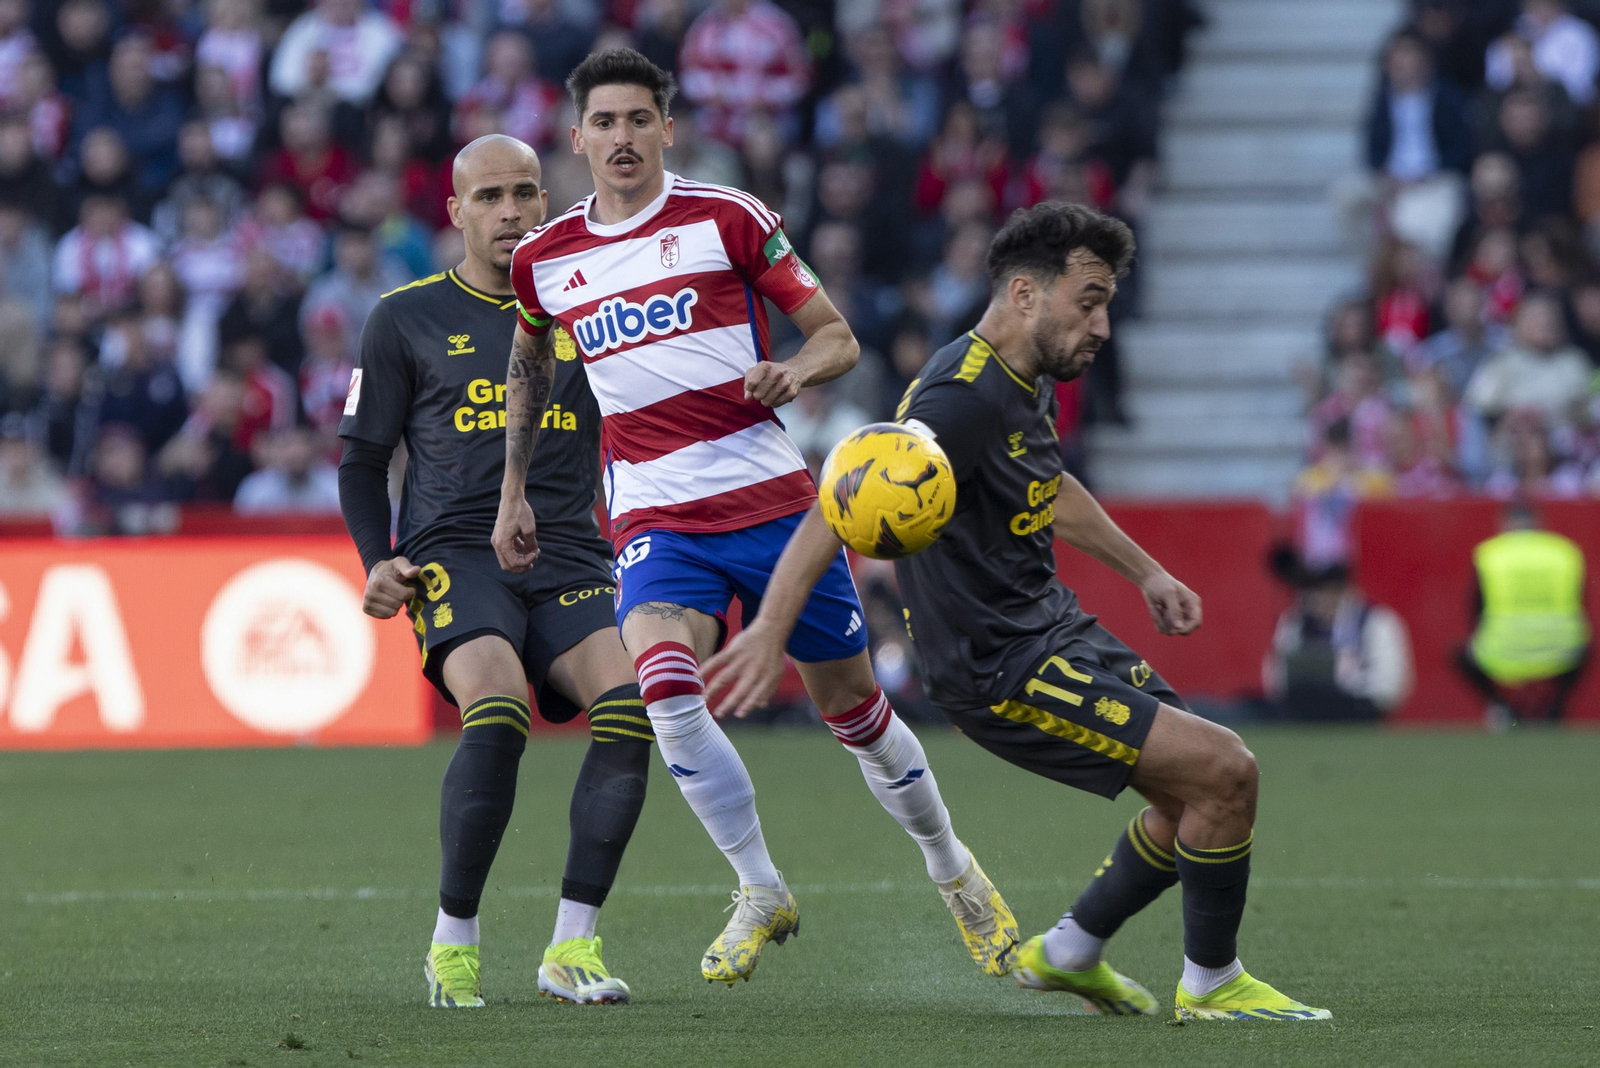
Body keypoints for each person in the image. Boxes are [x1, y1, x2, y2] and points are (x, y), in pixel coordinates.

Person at [706, 202, 1331, 1022]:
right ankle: (1212, 984)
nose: (1102, 324)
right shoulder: (957, 399)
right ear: (1027, 294)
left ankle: (1069, 951)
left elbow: (1047, 484)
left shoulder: (1020, 376)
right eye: (1090, 299)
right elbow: (845, 497)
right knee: (1228, 771)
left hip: (1052, 628)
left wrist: (1146, 571)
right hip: (1002, 664)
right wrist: (769, 629)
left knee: (1194, 800)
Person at [495, 49, 1016, 987]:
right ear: (576, 140)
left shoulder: (728, 219)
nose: (621, 138)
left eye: (638, 120)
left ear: (667, 126)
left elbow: (837, 336)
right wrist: (513, 489)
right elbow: (529, 364)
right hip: (655, 513)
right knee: (663, 689)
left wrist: (794, 372)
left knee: (854, 715)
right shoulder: (546, 259)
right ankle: (759, 887)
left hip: (775, 508)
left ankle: (954, 868)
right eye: (603, 123)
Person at [338, 133, 654, 1009]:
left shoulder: (591, 310)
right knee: (501, 705)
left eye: (525, 193)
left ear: (546, 203)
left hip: (569, 553)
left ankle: (571, 947)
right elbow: (363, 462)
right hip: (454, 555)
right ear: (456, 213)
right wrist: (378, 561)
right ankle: (454, 942)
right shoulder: (403, 317)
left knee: (632, 710)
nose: (510, 211)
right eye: (489, 198)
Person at [1457, 503, 1591, 729]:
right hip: (1560, 650)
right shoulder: (1564, 551)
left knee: (1461, 654)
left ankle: (1504, 709)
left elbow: (1476, 606)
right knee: (1585, 646)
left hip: (1502, 651)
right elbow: (1579, 604)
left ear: (1505, 523)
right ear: (1539, 524)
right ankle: (1554, 710)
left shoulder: (1491, 553)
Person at [1262, 555, 1414, 721]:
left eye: (1328, 590)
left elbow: (1389, 686)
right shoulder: (1295, 622)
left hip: (1358, 713)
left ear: (1344, 590)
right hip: (1302, 714)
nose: (1319, 598)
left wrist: (1345, 683)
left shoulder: (1376, 621)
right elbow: (1276, 676)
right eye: (1314, 590)